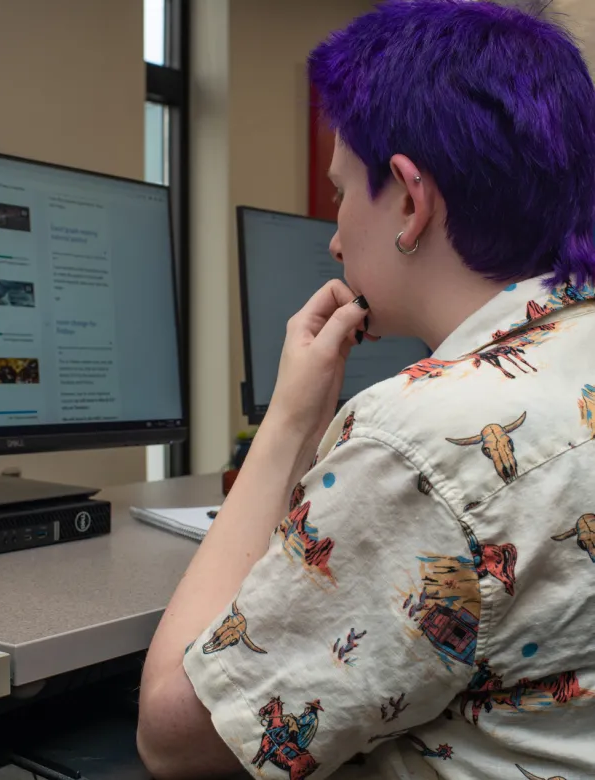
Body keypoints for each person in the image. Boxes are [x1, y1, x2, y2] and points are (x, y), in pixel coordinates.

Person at [137, 2, 595, 778]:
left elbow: (177, 736)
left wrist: (288, 422)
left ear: (411, 203)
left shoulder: (421, 439)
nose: (336, 236)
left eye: (343, 192)